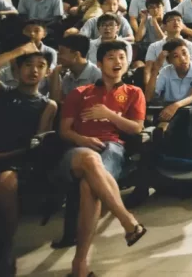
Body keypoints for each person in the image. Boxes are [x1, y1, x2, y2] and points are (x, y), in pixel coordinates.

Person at [59, 41, 148, 277]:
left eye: (121, 57)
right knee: (89, 159)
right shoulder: (80, 93)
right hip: (78, 151)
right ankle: (127, 221)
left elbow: (136, 129)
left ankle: (79, 265)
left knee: (90, 187)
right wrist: (82, 140)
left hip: (113, 148)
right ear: (99, 64)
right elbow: (64, 130)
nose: (117, 61)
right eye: (111, 57)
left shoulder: (134, 92)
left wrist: (108, 114)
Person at [0, 39, 56, 250]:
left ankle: (5, 246)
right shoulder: (1, 91)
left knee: (5, 182)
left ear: (47, 72)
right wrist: (18, 50)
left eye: (40, 66)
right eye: (28, 65)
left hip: (14, 160)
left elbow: (37, 145)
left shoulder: (47, 105)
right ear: (16, 69)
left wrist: (0, 157)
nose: (34, 70)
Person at [144, 38, 192, 123]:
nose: (182, 59)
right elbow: (148, 97)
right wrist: (156, 69)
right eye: (175, 56)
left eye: (184, 53)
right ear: (169, 61)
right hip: (171, 115)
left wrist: (175, 106)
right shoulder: (165, 71)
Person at [49, 34, 103, 106]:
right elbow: (56, 101)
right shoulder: (68, 77)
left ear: (76, 55)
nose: (58, 56)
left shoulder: (97, 75)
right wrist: (55, 72)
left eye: (61, 53)